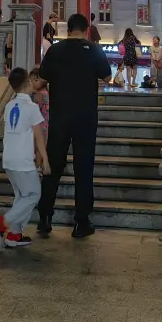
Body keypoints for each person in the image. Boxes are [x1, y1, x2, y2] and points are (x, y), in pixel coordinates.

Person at [38, 13, 112, 239]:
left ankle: (45, 218)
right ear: (86, 29)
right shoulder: (94, 50)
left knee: (53, 167)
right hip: (86, 118)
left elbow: (42, 79)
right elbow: (108, 77)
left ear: (67, 29)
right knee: (84, 168)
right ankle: (81, 222)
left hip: (60, 117)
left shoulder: (55, 50)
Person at [0, 67, 49, 249]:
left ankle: (15, 235)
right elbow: (39, 137)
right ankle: (3, 222)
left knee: (21, 197)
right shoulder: (31, 107)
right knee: (33, 194)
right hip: (23, 160)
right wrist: (45, 160)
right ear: (27, 83)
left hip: (9, 158)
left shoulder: (9, 105)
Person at [29, 67, 49, 142]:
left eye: (36, 80)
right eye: (31, 81)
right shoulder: (45, 92)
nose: (33, 83)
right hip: (46, 123)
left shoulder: (39, 94)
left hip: (40, 124)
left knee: (39, 147)